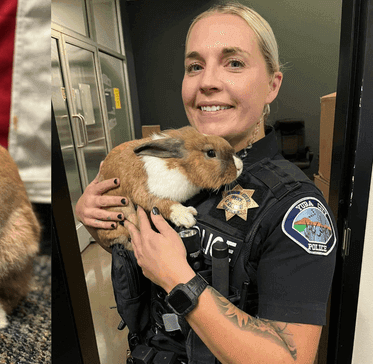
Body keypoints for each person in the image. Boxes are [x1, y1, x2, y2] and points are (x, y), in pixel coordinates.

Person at [75, 3, 336, 364]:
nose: (208, 82)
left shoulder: (296, 210)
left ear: (273, 85)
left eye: (234, 63)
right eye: (194, 66)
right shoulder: (178, 168)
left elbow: (290, 359)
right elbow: (149, 259)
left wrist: (180, 279)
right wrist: (103, 223)